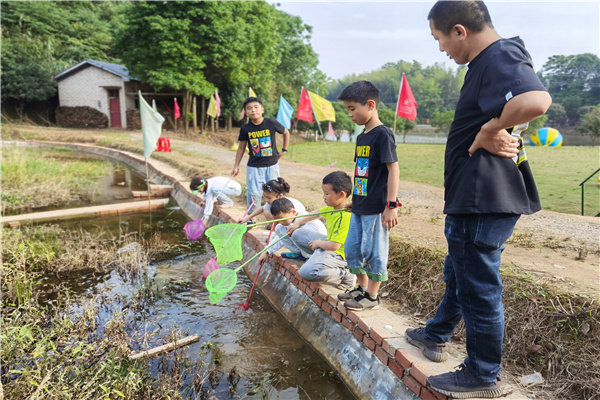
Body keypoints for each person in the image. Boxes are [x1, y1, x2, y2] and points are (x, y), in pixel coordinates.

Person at [404, 2, 552, 399]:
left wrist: (491, 126)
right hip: (476, 197)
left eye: (439, 39)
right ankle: (435, 334)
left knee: (478, 287)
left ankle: (481, 373)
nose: (441, 50)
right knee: (460, 274)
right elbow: (518, 107)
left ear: (459, 31)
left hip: (482, 199)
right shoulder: (490, 61)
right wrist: (502, 124)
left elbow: (536, 100)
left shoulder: (497, 55)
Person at [336, 81, 400, 311]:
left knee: (374, 251)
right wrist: (356, 199)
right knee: (352, 249)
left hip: (377, 208)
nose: (350, 114)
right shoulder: (362, 136)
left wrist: (391, 205)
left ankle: (372, 296)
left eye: (353, 108)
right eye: (348, 110)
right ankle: (361, 288)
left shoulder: (383, 135)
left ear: (370, 104)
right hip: (361, 205)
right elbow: (364, 173)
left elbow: (393, 169)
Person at [286, 171, 354, 289]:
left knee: (306, 273)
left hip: (341, 255)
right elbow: (316, 213)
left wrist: (319, 243)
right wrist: (297, 223)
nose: (323, 197)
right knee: (298, 234)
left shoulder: (345, 216)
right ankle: (318, 259)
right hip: (330, 245)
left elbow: (335, 246)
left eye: (327, 193)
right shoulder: (332, 209)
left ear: (341, 194)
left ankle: (346, 273)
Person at [232, 97, 290, 214]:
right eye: (249, 108)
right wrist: (236, 166)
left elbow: (286, 132)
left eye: (256, 107)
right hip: (254, 166)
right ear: (246, 112)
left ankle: (275, 219)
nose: (253, 110)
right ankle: (251, 219)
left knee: (274, 192)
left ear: (262, 109)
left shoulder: (271, 123)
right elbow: (241, 148)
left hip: (271, 165)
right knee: (254, 193)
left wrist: (284, 149)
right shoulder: (245, 128)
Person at [257, 197, 327, 262]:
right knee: (279, 228)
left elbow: (314, 236)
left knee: (296, 233)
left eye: (283, 220)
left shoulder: (305, 218)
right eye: (277, 220)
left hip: (318, 247)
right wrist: (267, 251)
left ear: (293, 212)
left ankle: (310, 256)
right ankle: (301, 254)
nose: (280, 223)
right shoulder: (287, 223)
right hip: (305, 248)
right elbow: (280, 238)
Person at [237, 177, 306, 226]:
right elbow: (262, 208)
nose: (266, 200)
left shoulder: (288, 205)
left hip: (299, 225)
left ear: (280, 196)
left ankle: (281, 235)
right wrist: (246, 218)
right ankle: (277, 233)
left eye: (269, 198)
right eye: (265, 197)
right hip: (286, 225)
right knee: (266, 210)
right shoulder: (275, 202)